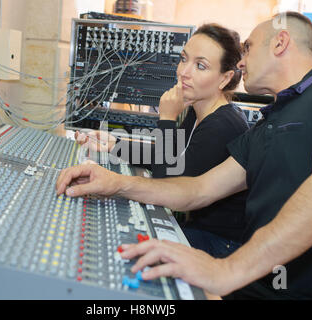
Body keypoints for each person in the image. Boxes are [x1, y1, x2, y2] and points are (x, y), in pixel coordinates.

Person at [57, 11, 312, 299]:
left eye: (248, 48)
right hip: (261, 283)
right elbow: (199, 189)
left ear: (280, 43)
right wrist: (117, 184)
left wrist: (224, 270)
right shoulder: (268, 123)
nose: (241, 61)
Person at [74, 24, 249, 258]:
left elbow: (165, 184)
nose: (184, 72)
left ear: (225, 78)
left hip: (218, 243)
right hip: (196, 227)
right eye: (183, 59)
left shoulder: (223, 125)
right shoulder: (200, 109)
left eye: (200, 66)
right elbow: (170, 157)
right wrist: (114, 144)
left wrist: (167, 118)